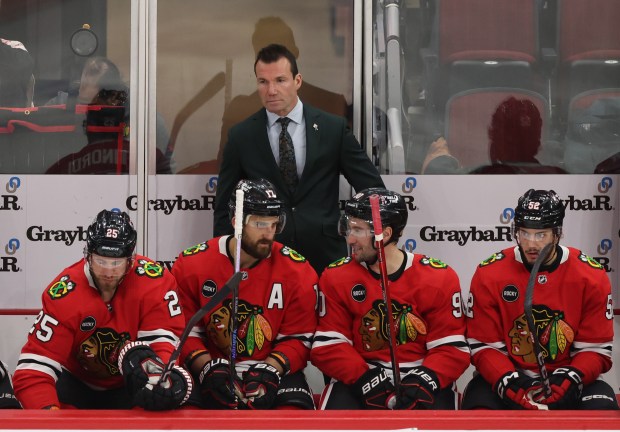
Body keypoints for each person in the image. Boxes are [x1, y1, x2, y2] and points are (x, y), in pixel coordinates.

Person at [214, 44, 384, 275]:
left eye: (280, 80)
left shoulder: (331, 128)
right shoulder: (241, 136)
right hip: (265, 259)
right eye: (263, 82)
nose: (271, 90)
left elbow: (372, 190)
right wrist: (224, 258)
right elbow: (225, 205)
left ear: (298, 81)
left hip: (324, 256)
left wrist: (367, 239)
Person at [12, 209, 192, 410]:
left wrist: (160, 384)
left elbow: (161, 351)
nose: (108, 271)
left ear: (130, 259)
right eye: (101, 261)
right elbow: (33, 372)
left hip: (129, 384)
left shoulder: (154, 282)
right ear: (88, 256)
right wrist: (48, 417)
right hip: (76, 383)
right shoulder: (65, 295)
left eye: (116, 263)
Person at [310, 188, 469, 409]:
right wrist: (366, 380)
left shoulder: (439, 278)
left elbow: (451, 348)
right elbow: (329, 345)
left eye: (358, 230)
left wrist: (424, 379)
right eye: (349, 228)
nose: (350, 238)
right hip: (360, 378)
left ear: (384, 234)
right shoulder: (337, 276)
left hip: (422, 378)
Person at [462, 189, 618, 410]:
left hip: (568, 374)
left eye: (541, 234)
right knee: (479, 416)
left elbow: (597, 348)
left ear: (558, 233)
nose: (531, 244)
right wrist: (510, 381)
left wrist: (570, 378)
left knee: (603, 414)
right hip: (510, 373)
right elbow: (483, 346)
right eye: (524, 233)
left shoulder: (590, 275)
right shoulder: (490, 273)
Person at [173, 179, 318, 410]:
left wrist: (270, 370)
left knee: (294, 417)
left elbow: (298, 338)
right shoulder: (192, 265)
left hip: (272, 370)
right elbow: (183, 331)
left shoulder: (298, 270)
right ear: (236, 222)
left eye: (274, 225)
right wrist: (207, 368)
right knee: (185, 416)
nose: (269, 234)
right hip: (211, 365)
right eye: (260, 224)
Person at [422, 97, 565, 174]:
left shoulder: (476, 178)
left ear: (494, 141)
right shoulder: (559, 178)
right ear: (538, 140)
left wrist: (439, 156)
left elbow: (437, 181)